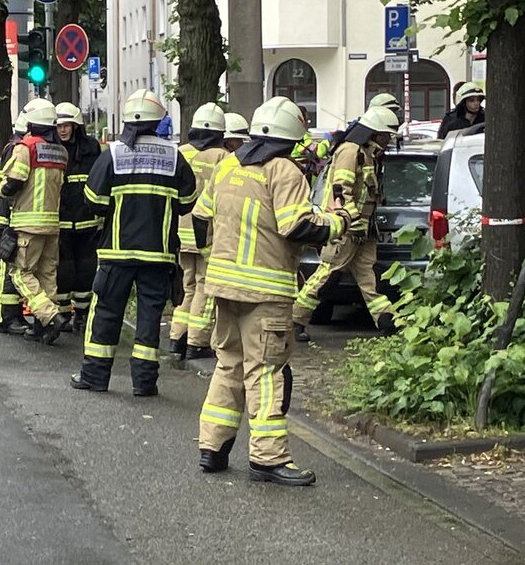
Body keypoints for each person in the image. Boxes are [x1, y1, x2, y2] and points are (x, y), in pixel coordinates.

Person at [192, 96, 352, 485]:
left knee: (228, 364)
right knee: (265, 371)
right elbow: (296, 226)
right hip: (266, 293)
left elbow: (200, 219)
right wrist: (337, 223)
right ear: (291, 137)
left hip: (223, 287)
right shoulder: (284, 171)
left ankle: (212, 448)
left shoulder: (229, 165)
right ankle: (268, 458)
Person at [70, 89, 197, 396]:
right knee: (149, 319)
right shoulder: (174, 157)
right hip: (158, 255)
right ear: (158, 121)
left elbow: (93, 200)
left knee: (107, 314)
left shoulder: (112, 154)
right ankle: (144, 383)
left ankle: (95, 377)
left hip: (116, 252)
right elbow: (187, 201)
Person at [292, 106, 401, 342]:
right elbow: (341, 191)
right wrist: (352, 222)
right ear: (375, 133)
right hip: (347, 229)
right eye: (386, 135)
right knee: (327, 275)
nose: (388, 140)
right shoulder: (351, 152)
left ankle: (388, 320)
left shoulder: (368, 152)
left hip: (363, 231)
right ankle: (295, 320)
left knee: (368, 277)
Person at [0, 98, 71, 345]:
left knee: (20, 274)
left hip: (27, 224)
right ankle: (43, 328)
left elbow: (14, 182)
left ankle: (50, 316)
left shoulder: (25, 148)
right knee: (47, 275)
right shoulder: (61, 152)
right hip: (52, 225)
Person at [169, 103, 230, 361]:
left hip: (179, 230)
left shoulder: (180, 152)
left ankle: (176, 336)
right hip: (205, 232)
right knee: (204, 286)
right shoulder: (223, 157)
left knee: (188, 284)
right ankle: (196, 341)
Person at [53, 101, 102, 333]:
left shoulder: (91, 149)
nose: (62, 130)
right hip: (61, 220)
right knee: (64, 269)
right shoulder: (52, 148)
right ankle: (62, 312)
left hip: (87, 221)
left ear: (76, 127)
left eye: (67, 125)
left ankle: (81, 314)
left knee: (86, 269)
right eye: (59, 126)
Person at [0, 111, 30, 335]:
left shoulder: (16, 147)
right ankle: (5, 318)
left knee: (13, 268)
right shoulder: (17, 150)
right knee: (7, 270)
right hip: (7, 217)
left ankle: (13, 314)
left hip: (10, 215)